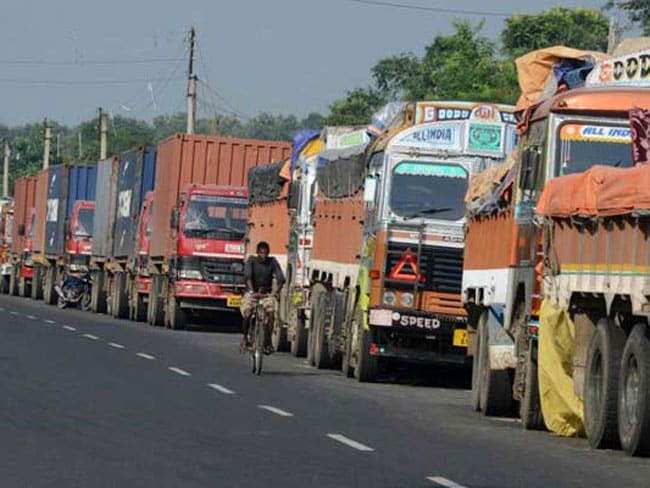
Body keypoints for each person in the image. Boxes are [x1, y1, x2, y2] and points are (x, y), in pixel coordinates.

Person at [240, 241, 285, 353]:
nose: (263, 256)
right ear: (257, 253)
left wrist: (275, 292)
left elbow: (281, 278)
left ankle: (268, 341)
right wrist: (251, 291)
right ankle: (245, 338)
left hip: (266, 294)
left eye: (265, 253)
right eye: (261, 253)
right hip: (252, 293)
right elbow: (247, 277)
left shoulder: (273, 262)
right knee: (247, 312)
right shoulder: (251, 261)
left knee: (271, 313)